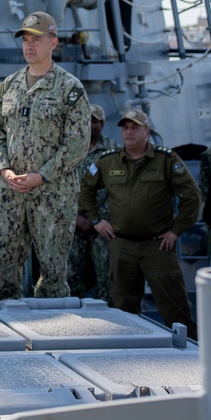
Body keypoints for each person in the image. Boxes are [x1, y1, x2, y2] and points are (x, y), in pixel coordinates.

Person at [0, 11, 91, 305]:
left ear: (53, 43)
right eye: (26, 40)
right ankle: (6, 332)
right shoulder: (9, 86)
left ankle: (52, 331)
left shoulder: (70, 89)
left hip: (52, 195)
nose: (29, 46)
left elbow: (77, 144)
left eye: (36, 40)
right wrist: (4, 169)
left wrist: (42, 176)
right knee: (4, 266)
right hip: (11, 192)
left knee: (52, 273)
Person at [78, 109, 200, 340]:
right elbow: (85, 190)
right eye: (125, 127)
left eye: (135, 127)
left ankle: (193, 352)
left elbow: (192, 196)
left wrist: (176, 231)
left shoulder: (166, 160)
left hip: (158, 246)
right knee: (124, 308)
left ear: (147, 131)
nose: (129, 132)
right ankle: (129, 352)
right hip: (121, 245)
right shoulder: (107, 161)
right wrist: (96, 220)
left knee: (174, 305)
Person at [68, 103, 119, 302]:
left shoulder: (113, 152)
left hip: (103, 224)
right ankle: (72, 318)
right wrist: (75, 218)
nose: (89, 125)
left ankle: (110, 316)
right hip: (73, 222)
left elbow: (117, 191)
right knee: (71, 275)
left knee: (106, 273)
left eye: (94, 121)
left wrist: (97, 218)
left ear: (102, 124)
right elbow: (57, 189)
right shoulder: (69, 151)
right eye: (85, 120)